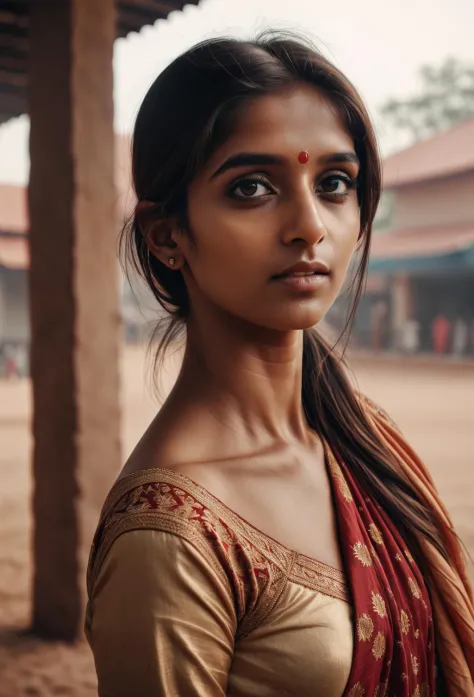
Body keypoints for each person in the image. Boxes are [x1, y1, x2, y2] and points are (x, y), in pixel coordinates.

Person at [85, 34, 474, 697]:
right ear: (167, 234)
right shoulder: (167, 538)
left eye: (334, 183)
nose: (309, 225)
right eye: (253, 187)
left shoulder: (357, 438)